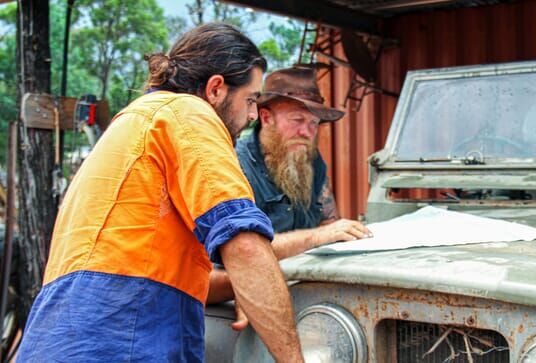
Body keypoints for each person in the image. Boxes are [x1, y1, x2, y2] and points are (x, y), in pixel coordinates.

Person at [17, 24, 304, 363]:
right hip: (120, 338)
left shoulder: (135, 121)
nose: (253, 115)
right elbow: (243, 245)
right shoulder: (189, 113)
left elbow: (155, 264)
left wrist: (245, 288)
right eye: (251, 100)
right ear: (215, 89)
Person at [207, 67, 372, 329]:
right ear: (266, 117)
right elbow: (240, 256)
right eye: (297, 120)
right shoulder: (233, 165)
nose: (307, 133)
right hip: (228, 302)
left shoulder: (311, 161)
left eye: (313, 123)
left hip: (299, 293)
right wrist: (317, 238)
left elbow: (332, 227)